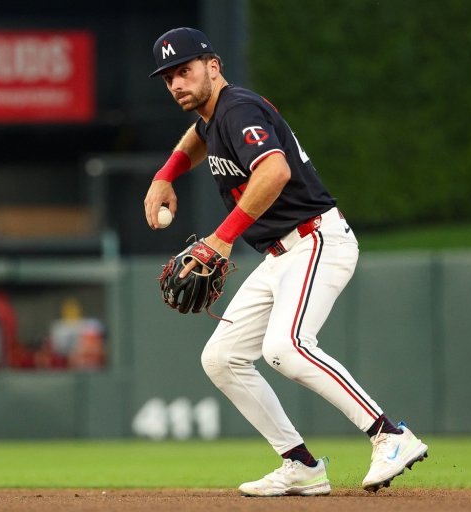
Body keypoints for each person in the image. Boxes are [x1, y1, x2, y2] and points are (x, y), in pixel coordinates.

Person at [143, 27, 428, 496]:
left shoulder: (238, 108)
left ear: (213, 66)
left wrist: (220, 239)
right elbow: (198, 136)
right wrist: (165, 175)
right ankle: (301, 464)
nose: (177, 83)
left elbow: (274, 172)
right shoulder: (215, 117)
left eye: (186, 70)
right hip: (279, 254)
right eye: (169, 76)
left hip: (316, 240)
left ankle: (391, 436)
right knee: (221, 358)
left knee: (287, 346)